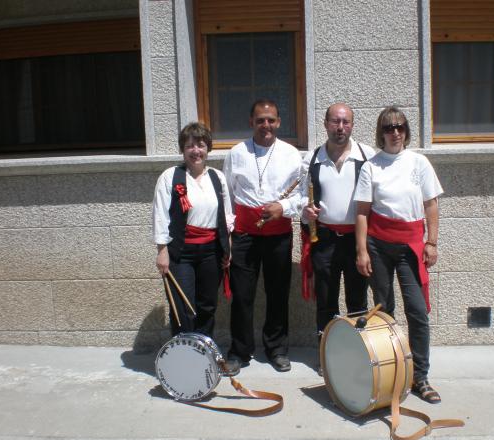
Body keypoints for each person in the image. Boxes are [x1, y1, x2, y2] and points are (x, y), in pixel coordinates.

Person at [354, 106, 444, 404]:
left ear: (406, 131)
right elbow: (362, 212)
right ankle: (392, 372)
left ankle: (420, 376)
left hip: (410, 247)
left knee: (417, 311)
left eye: (400, 127)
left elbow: (430, 205)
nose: (395, 132)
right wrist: (362, 251)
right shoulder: (371, 167)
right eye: (389, 128)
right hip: (378, 246)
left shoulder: (419, 163)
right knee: (384, 311)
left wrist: (432, 243)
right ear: (381, 133)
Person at [223, 99, 304, 375]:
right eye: (260, 120)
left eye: (270, 120)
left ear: (278, 122)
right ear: (251, 122)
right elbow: (228, 195)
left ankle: (277, 349)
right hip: (244, 235)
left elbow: (302, 195)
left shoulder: (292, 154)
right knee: (242, 295)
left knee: (278, 293)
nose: (265, 125)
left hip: (278, 234)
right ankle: (239, 351)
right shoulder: (236, 153)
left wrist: (283, 207)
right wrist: (229, 232)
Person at [300, 103, 375, 374]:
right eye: (335, 121)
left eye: (345, 122)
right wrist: (305, 209)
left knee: (357, 302)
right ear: (325, 124)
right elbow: (301, 197)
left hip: (357, 241)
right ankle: (327, 355)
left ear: (352, 125)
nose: (340, 127)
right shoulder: (311, 159)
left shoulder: (367, 156)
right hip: (325, 240)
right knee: (326, 301)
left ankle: (357, 354)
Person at [152, 122, 234, 338]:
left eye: (201, 145)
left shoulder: (217, 177)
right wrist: (162, 251)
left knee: (207, 305)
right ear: (183, 149)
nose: (196, 151)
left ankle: (203, 348)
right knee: (183, 306)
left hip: (211, 252)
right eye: (190, 146)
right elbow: (160, 215)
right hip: (181, 252)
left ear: (208, 148)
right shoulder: (170, 176)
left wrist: (228, 246)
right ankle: (184, 351)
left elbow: (226, 215)